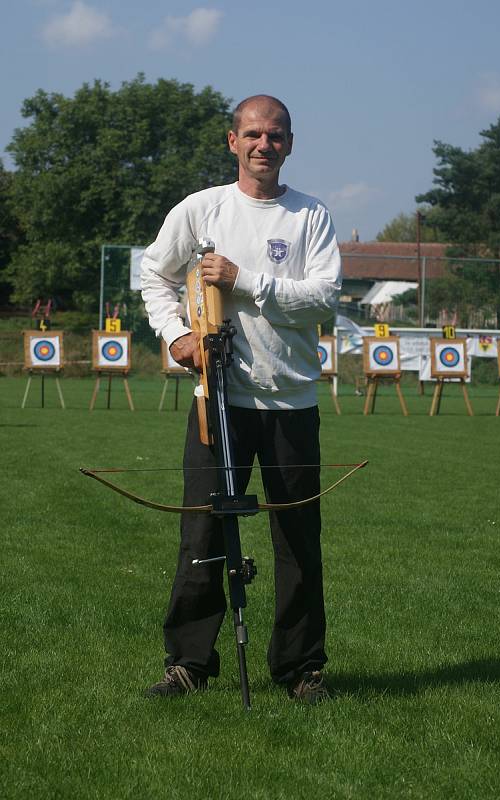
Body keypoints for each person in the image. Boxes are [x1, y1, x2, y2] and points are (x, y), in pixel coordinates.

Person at [140, 95, 341, 703]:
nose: (264, 145)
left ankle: (301, 670)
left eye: (275, 135)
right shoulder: (201, 210)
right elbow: (155, 273)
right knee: (203, 535)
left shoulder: (311, 216)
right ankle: (189, 665)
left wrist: (244, 280)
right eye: (252, 134)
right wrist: (175, 335)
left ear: (289, 143)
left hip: (290, 403)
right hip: (217, 401)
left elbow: (325, 297)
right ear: (233, 141)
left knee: (297, 540)